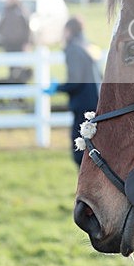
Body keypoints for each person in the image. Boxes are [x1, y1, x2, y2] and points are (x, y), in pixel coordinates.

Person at [44, 16, 101, 166]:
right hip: (95, 100)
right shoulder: (87, 45)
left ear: (68, 30)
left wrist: (58, 88)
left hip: (82, 104)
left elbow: (75, 81)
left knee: (80, 150)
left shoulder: (73, 49)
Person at [0, 0, 31, 80]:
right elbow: (0, 25)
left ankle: (20, 90)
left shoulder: (21, 10)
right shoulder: (5, 10)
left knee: (20, 68)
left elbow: (27, 27)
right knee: (11, 68)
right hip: (8, 43)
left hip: (19, 44)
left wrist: (27, 42)